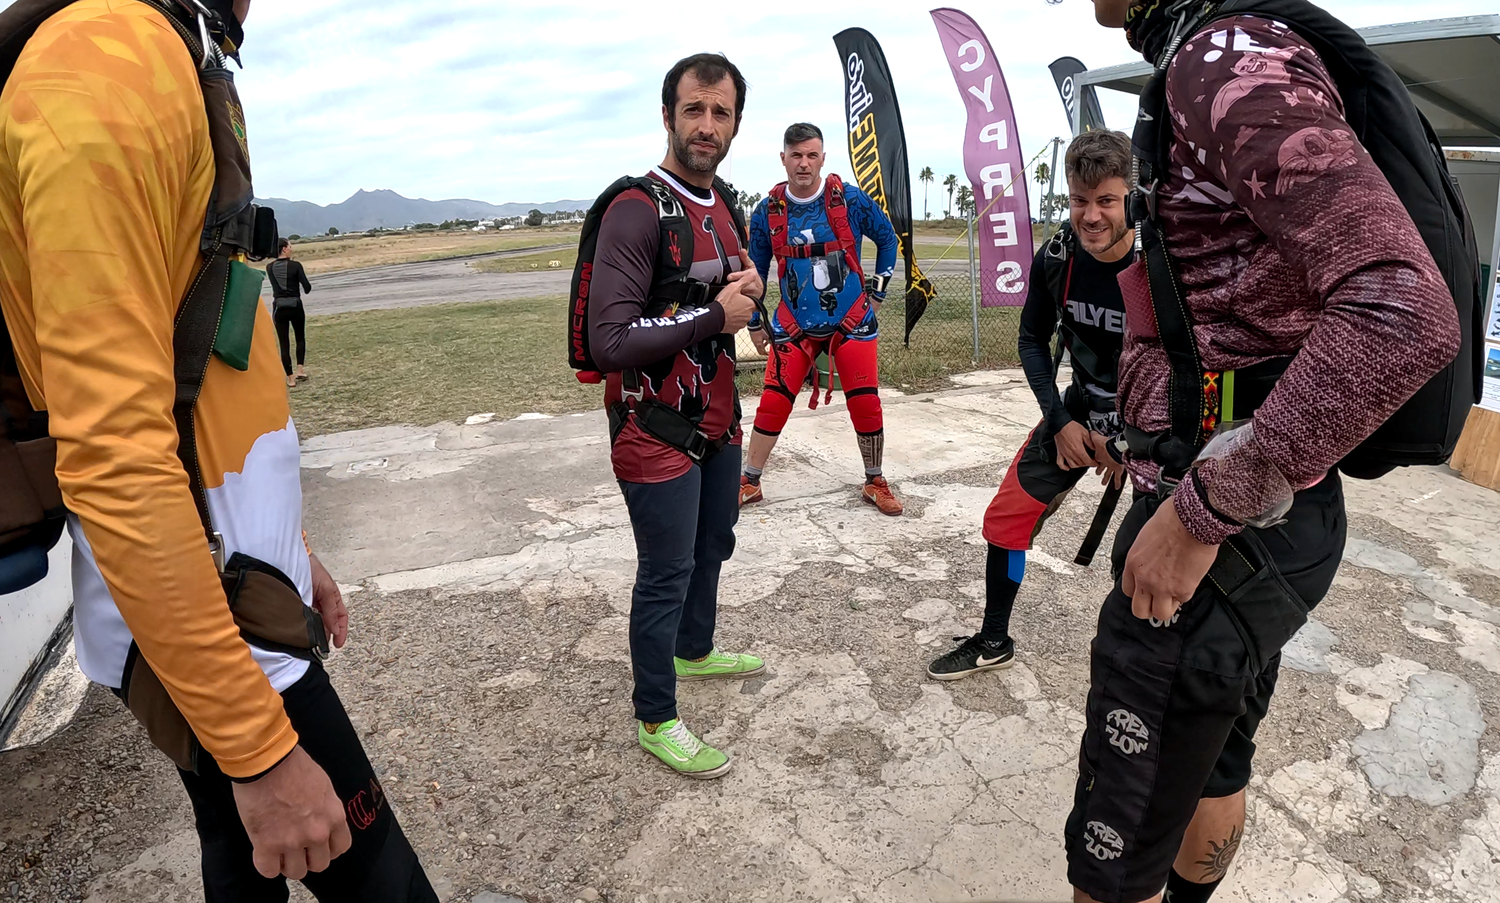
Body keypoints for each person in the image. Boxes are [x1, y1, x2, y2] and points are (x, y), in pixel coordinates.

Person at [0, 2, 437, 899]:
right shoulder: (101, 63)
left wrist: (293, 544)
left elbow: (204, 367)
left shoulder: (164, 45)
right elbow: (114, 455)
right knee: (379, 878)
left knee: (242, 850)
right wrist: (260, 747)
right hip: (215, 608)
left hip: (236, 576)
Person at [1065, 1, 1463, 902]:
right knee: (1212, 757)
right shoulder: (1204, 53)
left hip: (1233, 512)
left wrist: (1203, 511)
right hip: (1257, 501)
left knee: (1114, 849)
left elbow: (1403, 308)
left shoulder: (1219, 59)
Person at [586, 52, 766, 779]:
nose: (706, 124)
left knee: (714, 542)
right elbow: (609, 342)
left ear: (735, 124)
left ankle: (694, 649)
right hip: (650, 424)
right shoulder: (636, 209)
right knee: (664, 569)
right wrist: (711, 315)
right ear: (668, 115)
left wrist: (755, 290)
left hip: (717, 418)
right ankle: (657, 714)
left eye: (720, 112)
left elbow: (735, 306)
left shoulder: (727, 204)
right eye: (694, 108)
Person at [927, 130, 1132, 681]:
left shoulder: (1163, 265)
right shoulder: (1059, 256)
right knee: (1006, 519)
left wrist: (1131, 443)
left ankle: (1155, 675)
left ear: (1131, 197)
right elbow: (1029, 341)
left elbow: (1200, 368)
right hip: (1081, 413)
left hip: (1155, 427)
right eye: (1079, 200)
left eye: (1106, 201)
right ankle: (994, 639)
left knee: (1150, 556)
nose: (1091, 216)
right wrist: (1062, 421)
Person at [741, 122, 903, 515]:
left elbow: (887, 240)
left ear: (823, 158)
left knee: (866, 402)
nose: (804, 164)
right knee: (774, 401)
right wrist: (755, 323)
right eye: (796, 155)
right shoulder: (768, 212)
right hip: (793, 324)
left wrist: (877, 294)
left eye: (812, 155)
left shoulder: (850, 200)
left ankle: (875, 480)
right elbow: (755, 272)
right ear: (783, 159)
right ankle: (749, 481)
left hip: (853, 322)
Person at [268, 238, 313, 389]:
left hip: (279, 307)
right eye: (290, 246)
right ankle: (300, 369)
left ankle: (290, 378)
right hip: (295, 305)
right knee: (300, 338)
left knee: (284, 343)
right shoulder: (296, 266)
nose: (291, 248)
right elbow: (306, 287)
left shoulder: (269, 267)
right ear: (285, 249)